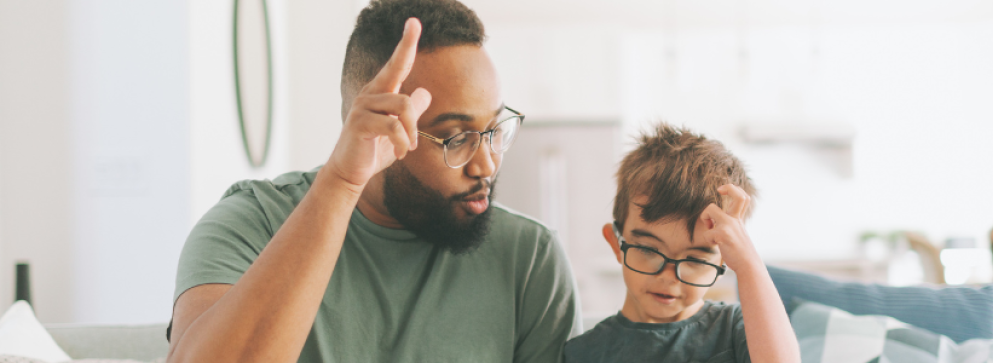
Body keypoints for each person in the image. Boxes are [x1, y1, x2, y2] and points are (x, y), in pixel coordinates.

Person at [165, 1, 580, 362]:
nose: (487, 165)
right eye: (456, 138)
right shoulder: (251, 225)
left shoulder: (529, 259)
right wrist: (343, 181)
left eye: (494, 131)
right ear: (372, 128)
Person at [564, 124, 799, 363]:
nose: (668, 277)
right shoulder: (581, 353)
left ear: (723, 262)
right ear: (616, 244)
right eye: (648, 250)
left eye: (695, 259)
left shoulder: (740, 329)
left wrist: (749, 265)